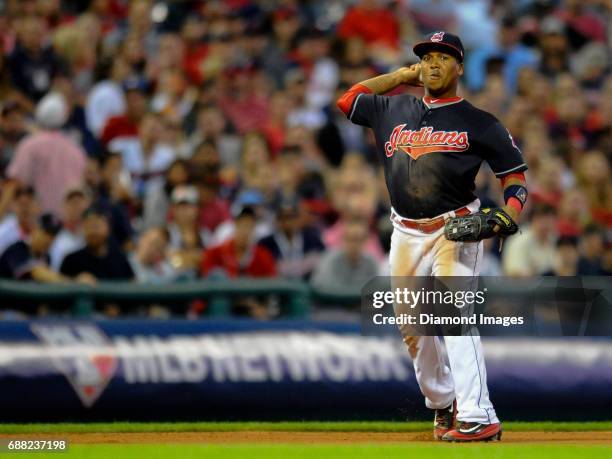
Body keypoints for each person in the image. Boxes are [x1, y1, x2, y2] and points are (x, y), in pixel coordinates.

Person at [337, 31, 530, 442]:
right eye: (427, 57)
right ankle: (444, 404)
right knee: (412, 327)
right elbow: (348, 100)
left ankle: (480, 416)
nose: (434, 63)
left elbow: (515, 178)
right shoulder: (393, 107)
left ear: (460, 67)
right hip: (404, 231)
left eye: (444, 57)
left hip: (454, 229)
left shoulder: (479, 122)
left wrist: (507, 215)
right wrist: (400, 76)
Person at [0, 92, 86, 216]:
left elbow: (13, 184)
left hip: (39, 222)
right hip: (68, 220)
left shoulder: (30, 145)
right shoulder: (76, 149)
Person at [60, 206, 134, 281]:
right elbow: (59, 283)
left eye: (96, 225)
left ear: (108, 228)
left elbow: (132, 284)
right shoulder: (71, 261)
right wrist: (75, 281)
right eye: (88, 226)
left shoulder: (120, 261)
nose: (93, 231)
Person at [258, 198, 325, 279]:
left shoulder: (312, 239)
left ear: (298, 218)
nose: (288, 222)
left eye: (292, 217)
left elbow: (322, 261)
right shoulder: (266, 243)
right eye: (284, 217)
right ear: (277, 220)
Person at [310, 217, 378, 290]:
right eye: (351, 239)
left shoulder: (371, 262)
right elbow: (320, 288)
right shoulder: (330, 260)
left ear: (366, 240)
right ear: (343, 239)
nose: (355, 244)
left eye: (359, 239)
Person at [0, 213, 65, 282]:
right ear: (35, 229)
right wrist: (70, 283)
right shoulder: (17, 249)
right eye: (47, 233)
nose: (49, 239)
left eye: (53, 236)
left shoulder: (47, 257)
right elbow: (38, 273)